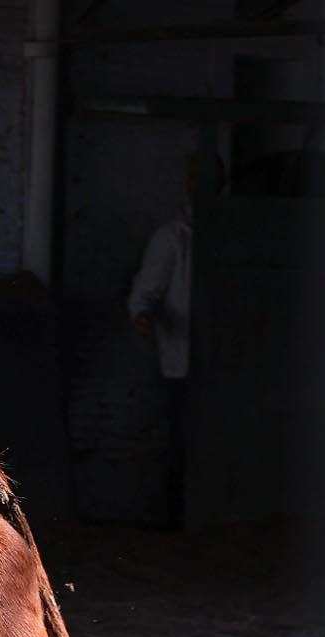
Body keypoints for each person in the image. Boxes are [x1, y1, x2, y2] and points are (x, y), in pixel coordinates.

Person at [128, 153, 215, 529]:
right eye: (197, 175)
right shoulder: (174, 237)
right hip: (183, 359)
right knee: (179, 439)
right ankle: (175, 519)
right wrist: (143, 314)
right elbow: (145, 292)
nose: (203, 183)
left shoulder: (229, 233)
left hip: (222, 362)